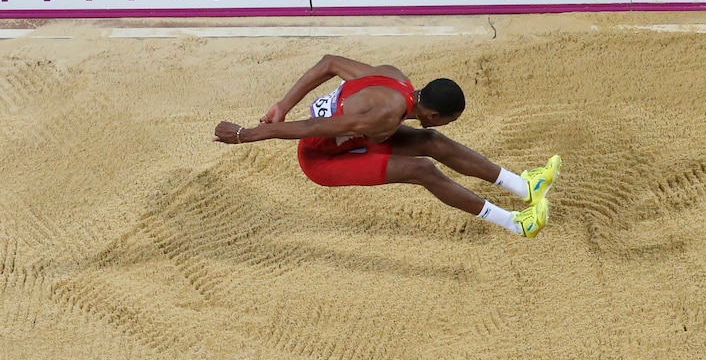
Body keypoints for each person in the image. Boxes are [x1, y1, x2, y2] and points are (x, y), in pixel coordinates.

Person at [213, 55, 560, 238]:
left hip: (350, 138)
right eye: (447, 121)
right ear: (434, 112)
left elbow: (330, 62)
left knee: (431, 141)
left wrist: (283, 104)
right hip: (321, 158)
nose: (446, 126)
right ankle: (516, 223)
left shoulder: (395, 79)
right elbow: (312, 128)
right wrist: (244, 134)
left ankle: (524, 185)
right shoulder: (384, 116)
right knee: (422, 169)